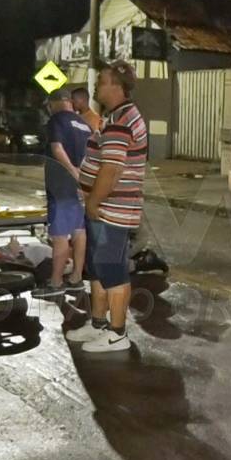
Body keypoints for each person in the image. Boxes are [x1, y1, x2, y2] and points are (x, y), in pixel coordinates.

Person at [66, 61, 148, 353]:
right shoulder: (115, 116)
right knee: (99, 269)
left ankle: (117, 333)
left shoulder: (122, 120)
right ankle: (99, 324)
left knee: (112, 270)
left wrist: (92, 202)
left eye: (101, 81)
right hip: (105, 209)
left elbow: (110, 170)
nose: (97, 86)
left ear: (116, 85)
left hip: (110, 210)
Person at [40, 89, 93, 300]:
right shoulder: (84, 125)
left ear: (56, 103)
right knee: (79, 230)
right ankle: (76, 278)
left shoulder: (56, 121)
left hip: (61, 186)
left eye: (50, 105)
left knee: (60, 235)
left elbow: (57, 148)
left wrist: (72, 171)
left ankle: (55, 282)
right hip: (80, 188)